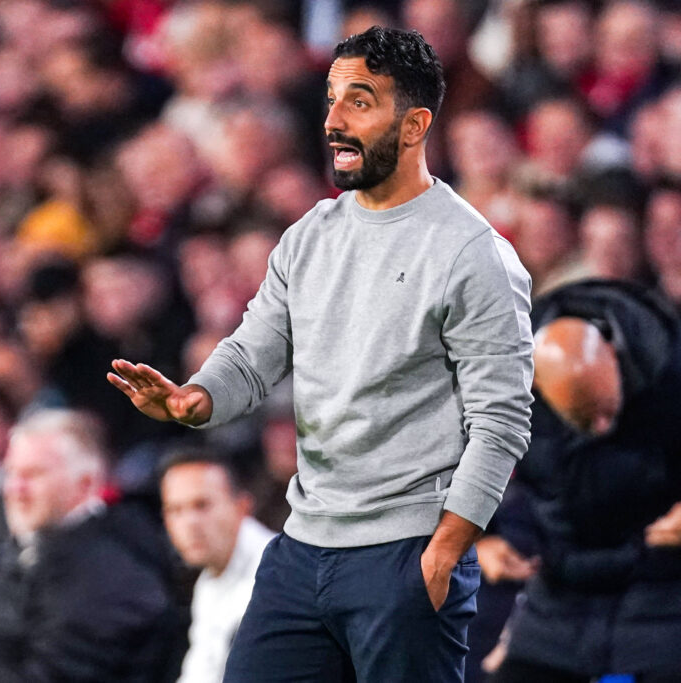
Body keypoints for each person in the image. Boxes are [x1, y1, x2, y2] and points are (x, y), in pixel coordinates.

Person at [108, 26, 534, 682]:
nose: (333, 120)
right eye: (332, 98)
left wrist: (445, 548)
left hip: (404, 556)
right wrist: (198, 396)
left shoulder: (471, 254)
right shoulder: (311, 235)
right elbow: (255, 349)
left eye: (359, 102)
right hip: (301, 548)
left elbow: (502, 420)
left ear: (415, 124)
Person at [490, 279, 681, 682]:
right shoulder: (502, 378)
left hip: (663, 593)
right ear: (537, 387)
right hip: (557, 598)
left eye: (607, 410)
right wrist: (481, 537)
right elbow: (446, 449)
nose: (600, 428)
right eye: (584, 416)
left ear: (615, 355)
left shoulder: (671, 363)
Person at [0, 408, 184, 682]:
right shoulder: (31, 546)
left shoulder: (112, 569)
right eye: (11, 474)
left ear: (86, 483)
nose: (15, 490)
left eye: (33, 475)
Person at [159, 451, 275, 683]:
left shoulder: (278, 576)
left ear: (242, 507)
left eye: (202, 505)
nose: (190, 524)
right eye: (176, 510)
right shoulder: (209, 579)